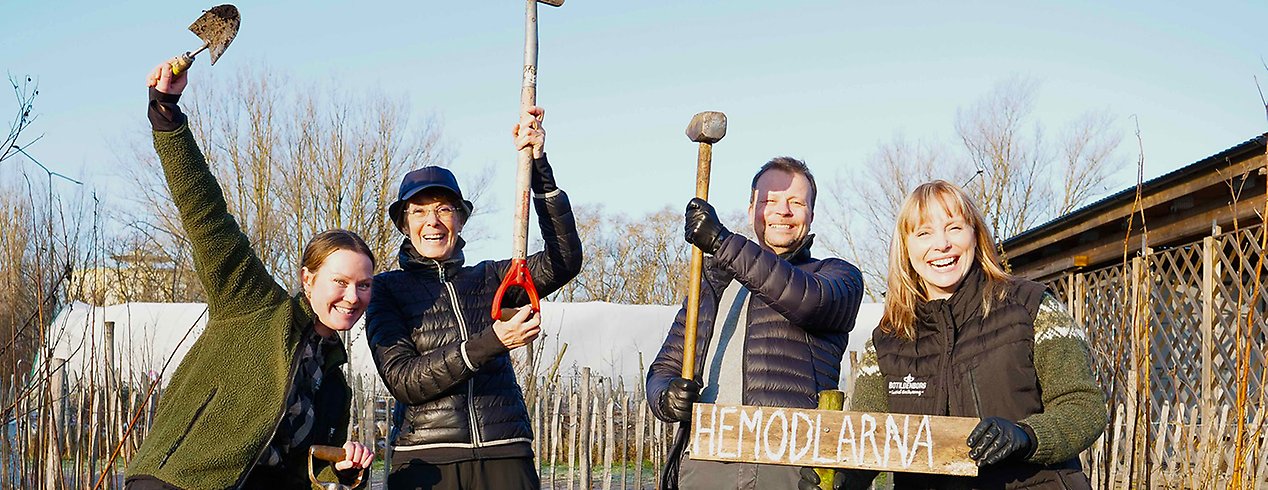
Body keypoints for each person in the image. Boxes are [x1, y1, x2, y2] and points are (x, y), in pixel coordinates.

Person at [125, 63, 374, 489]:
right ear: (308, 279)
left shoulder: (335, 384)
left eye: (364, 285)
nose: (353, 296)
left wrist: (343, 471)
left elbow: (302, 474)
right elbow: (205, 213)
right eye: (340, 281)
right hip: (178, 481)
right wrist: (166, 114)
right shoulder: (254, 303)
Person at [798, 180, 1107, 489]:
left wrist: (1027, 436)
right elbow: (871, 441)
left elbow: (1083, 406)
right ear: (906, 247)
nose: (942, 244)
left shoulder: (1031, 307)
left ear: (975, 235)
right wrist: (842, 479)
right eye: (924, 233)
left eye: (954, 228)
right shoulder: (887, 341)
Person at [366, 106, 583, 490]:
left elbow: (564, 260)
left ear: (461, 219)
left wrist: (538, 167)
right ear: (404, 224)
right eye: (418, 211)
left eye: (443, 209)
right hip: (427, 460)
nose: (432, 221)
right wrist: (491, 342)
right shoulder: (385, 289)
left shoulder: (493, 278)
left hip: (505, 451)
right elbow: (404, 380)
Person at [645, 157, 865, 489]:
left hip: (786, 465)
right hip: (705, 463)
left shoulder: (835, 276)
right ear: (752, 212)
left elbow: (808, 303)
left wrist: (721, 242)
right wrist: (666, 396)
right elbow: (665, 367)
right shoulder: (710, 285)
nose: (783, 211)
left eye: (796, 202)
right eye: (770, 201)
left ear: (811, 214)